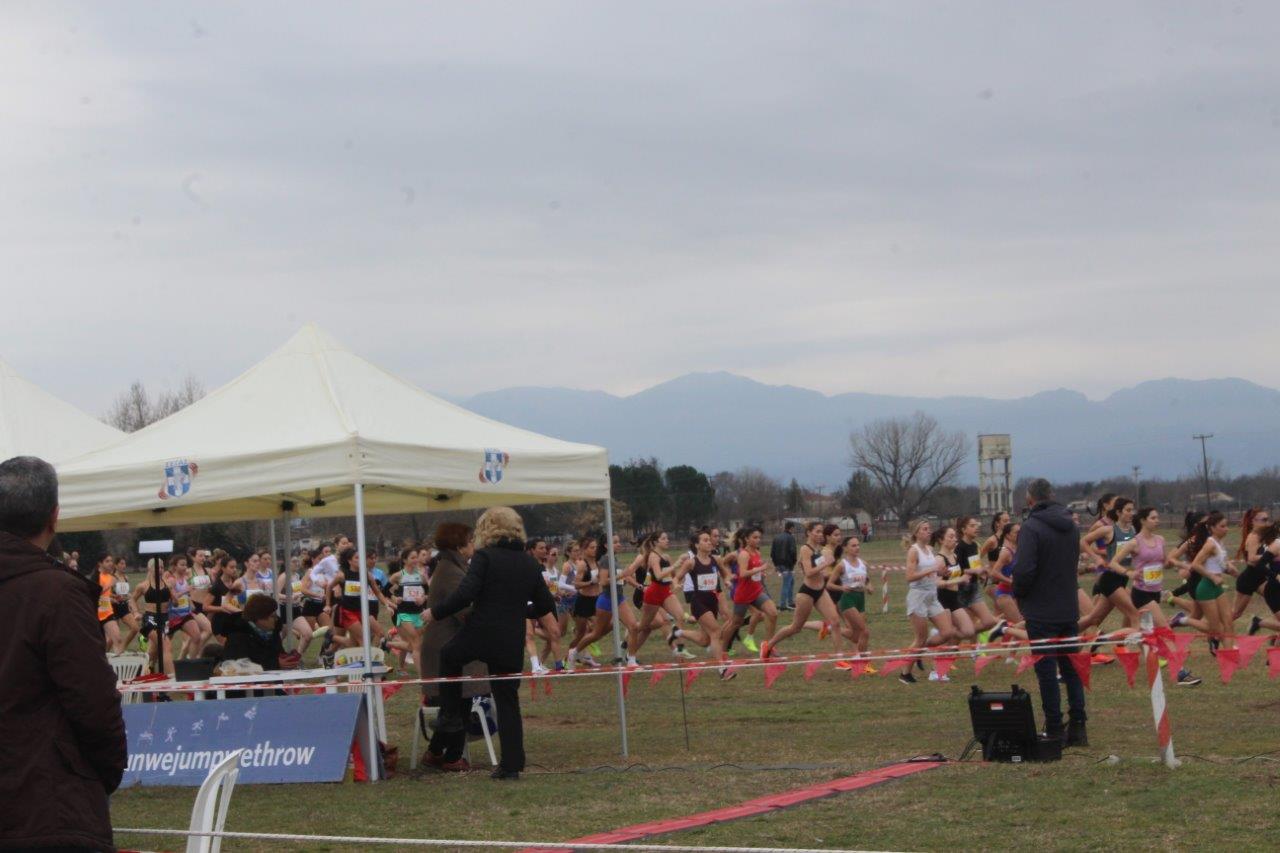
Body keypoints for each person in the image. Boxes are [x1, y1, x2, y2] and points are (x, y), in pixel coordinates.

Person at [0, 456, 126, 851]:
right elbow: (92, 701)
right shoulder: (56, 593)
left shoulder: (51, 590)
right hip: (46, 804)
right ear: (54, 518)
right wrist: (102, 771)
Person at [423, 508, 559, 780]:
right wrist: (518, 610)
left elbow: (466, 594)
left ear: (488, 529)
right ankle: (511, 765)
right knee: (508, 700)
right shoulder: (529, 563)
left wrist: (434, 612)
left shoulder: (485, 557)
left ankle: (450, 715)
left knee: (450, 656)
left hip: (481, 632)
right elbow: (546, 605)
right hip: (509, 640)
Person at [1009, 478, 1087, 746]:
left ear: (1030, 500)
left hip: (1041, 610)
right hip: (1067, 606)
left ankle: (1054, 728)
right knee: (1071, 669)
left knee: (1046, 672)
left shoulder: (1031, 527)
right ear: (1051, 495)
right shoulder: (1072, 526)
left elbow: (1023, 570)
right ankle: (1078, 725)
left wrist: (1019, 593)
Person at [419, 523, 487, 771]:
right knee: (461, 700)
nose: (473, 545)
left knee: (457, 702)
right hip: (447, 647)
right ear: (459, 546)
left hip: (447, 644)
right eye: (470, 541)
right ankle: (452, 756)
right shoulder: (452, 572)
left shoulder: (450, 567)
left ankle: (436, 752)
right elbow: (465, 610)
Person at [771, 522, 798, 611]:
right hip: (787, 564)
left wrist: (776, 564)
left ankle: (790, 602)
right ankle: (783, 605)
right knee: (786, 583)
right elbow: (793, 552)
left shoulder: (776, 537)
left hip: (779, 563)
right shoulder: (791, 538)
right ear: (791, 528)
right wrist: (793, 563)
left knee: (791, 582)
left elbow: (772, 553)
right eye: (793, 528)